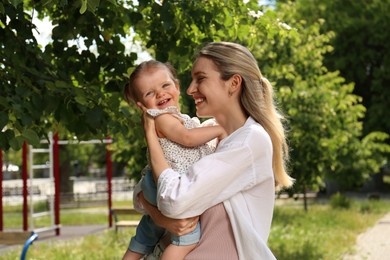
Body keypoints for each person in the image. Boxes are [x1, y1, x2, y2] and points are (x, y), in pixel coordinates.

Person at [135, 42, 294, 259]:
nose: (191, 89)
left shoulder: (249, 142)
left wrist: (151, 136)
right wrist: (158, 216)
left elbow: (173, 199)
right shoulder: (207, 134)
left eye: (200, 78)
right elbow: (145, 190)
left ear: (233, 83)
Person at [122, 60, 227, 260]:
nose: (160, 94)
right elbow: (188, 138)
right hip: (164, 186)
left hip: (155, 186)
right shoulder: (161, 117)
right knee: (187, 238)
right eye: (149, 93)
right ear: (142, 105)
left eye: (165, 86)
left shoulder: (177, 118)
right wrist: (221, 128)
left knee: (144, 237)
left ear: (177, 87)